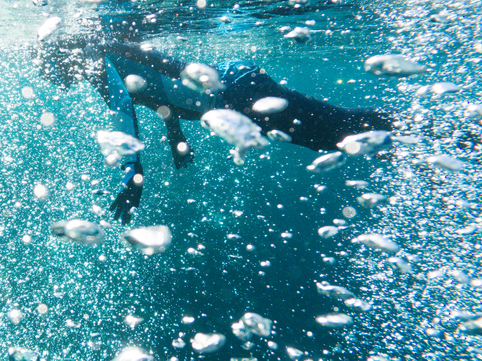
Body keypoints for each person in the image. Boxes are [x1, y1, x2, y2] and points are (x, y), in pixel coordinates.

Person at [37, 35, 393, 224]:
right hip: (235, 91)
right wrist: (175, 136)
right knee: (322, 135)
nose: (52, 79)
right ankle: (395, 136)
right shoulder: (103, 64)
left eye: (50, 69)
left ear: (63, 54)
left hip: (236, 90)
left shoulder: (103, 57)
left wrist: (133, 171)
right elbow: (155, 92)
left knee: (328, 130)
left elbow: (126, 108)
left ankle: (400, 130)